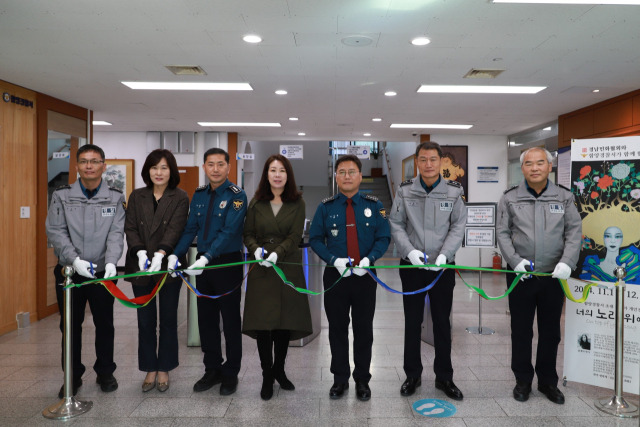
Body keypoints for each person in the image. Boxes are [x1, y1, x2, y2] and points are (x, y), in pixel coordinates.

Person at [497, 147, 581, 404]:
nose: (535, 168)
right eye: (529, 164)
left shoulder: (565, 197)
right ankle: (523, 380)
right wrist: (514, 261)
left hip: (553, 277)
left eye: (540, 163)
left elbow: (574, 231)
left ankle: (547, 382)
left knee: (550, 331)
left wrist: (567, 262)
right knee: (521, 330)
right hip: (522, 276)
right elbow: (502, 232)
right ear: (522, 168)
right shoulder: (510, 197)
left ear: (550, 166)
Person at [45, 144, 125, 398]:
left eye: (94, 161)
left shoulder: (115, 196)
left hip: (103, 273)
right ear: (77, 166)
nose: (89, 166)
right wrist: (74, 260)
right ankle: (72, 374)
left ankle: (105, 372)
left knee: (105, 324)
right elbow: (55, 231)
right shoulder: (62, 195)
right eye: (83, 161)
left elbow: (116, 233)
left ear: (103, 165)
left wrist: (112, 261)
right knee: (69, 326)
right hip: (70, 272)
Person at [389, 141, 466, 400]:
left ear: (441, 162)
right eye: (423, 159)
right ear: (417, 162)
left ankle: (444, 377)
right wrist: (409, 252)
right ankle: (412, 375)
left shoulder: (454, 192)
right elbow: (396, 224)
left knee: (442, 323)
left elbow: (458, 226)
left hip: (442, 267)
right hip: (412, 267)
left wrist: (445, 255)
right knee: (412, 322)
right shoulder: (404, 191)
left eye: (433, 159)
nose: (428, 164)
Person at [309, 154, 390, 401]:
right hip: (336, 276)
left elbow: (383, 237)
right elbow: (315, 239)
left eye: (351, 171)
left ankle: (363, 380)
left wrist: (370, 259)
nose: (347, 176)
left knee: (364, 329)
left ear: (360, 175)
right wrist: (334, 260)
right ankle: (340, 379)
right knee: (337, 329)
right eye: (342, 172)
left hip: (366, 276)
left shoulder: (374, 205)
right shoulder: (325, 206)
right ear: (336, 176)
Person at [171, 147, 247, 396]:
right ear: (204, 167)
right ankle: (212, 368)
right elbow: (190, 228)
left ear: (228, 167)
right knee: (206, 319)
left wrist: (206, 257)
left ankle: (231, 372)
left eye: (220, 164)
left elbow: (229, 232)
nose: (215, 169)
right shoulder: (200, 195)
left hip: (226, 263)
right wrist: (176, 255)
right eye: (210, 164)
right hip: (203, 265)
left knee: (231, 320)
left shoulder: (237, 196)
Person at [242, 154, 313, 400]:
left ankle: (279, 370)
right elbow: (247, 233)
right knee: (264, 325)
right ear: (266, 174)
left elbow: (295, 236)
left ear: (288, 174)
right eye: (272, 170)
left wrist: (277, 253)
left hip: (287, 266)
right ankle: (266, 375)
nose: (277, 174)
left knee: (284, 323)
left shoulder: (298, 202)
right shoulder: (256, 202)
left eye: (281, 170)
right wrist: (256, 250)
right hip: (261, 268)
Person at [124, 149, 189, 392]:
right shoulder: (137, 195)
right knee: (145, 320)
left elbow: (176, 228)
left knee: (169, 320)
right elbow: (130, 227)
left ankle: (165, 368)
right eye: (154, 168)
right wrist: (139, 251)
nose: (158, 172)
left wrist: (161, 253)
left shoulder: (180, 197)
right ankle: (150, 367)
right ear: (147, 171)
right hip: (140, 269)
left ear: (171, 170)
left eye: (163, 167)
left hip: (168, 266)